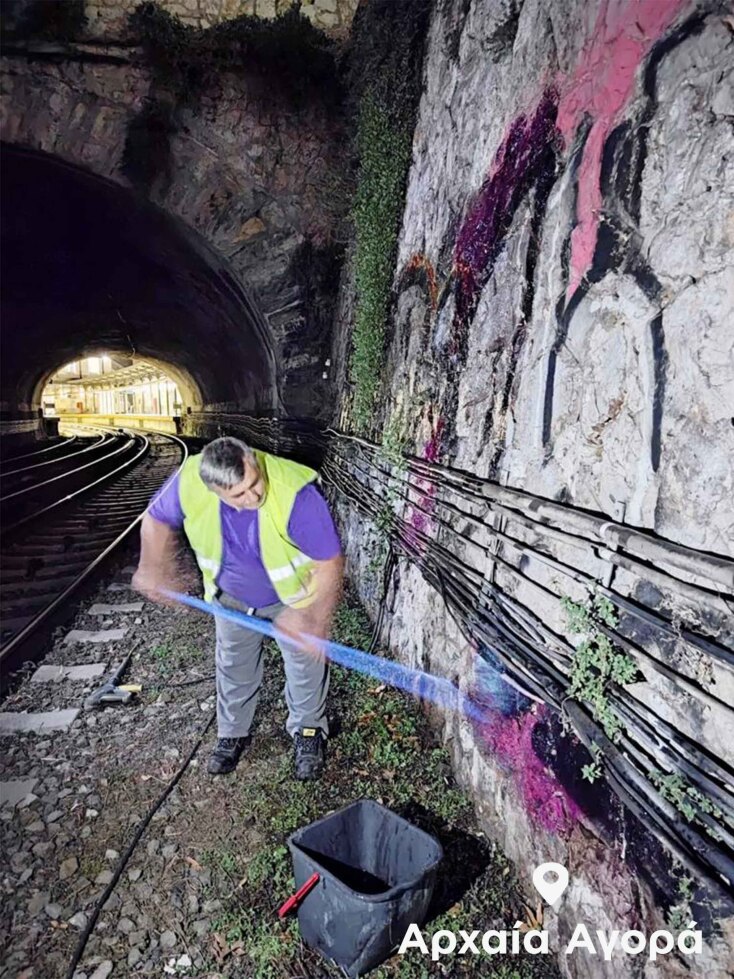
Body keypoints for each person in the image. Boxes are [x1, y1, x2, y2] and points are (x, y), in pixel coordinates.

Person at [132, 436, 344, 781]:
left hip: (295, 598)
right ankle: (232, 733)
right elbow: (155, 518)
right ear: (215, 491)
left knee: (306, 667)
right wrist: (151, 568)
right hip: (231, 599)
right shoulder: (189, 480)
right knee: (233, 665)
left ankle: (308, 732)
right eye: (239, 495)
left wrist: (313, 617)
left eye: (254, 482)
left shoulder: (296, 493)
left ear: (252, 460)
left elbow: (330, 561)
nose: (253, 496)